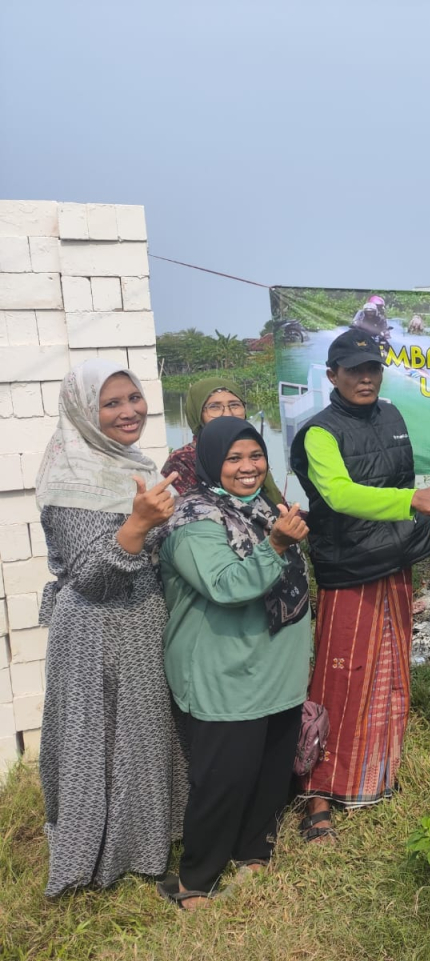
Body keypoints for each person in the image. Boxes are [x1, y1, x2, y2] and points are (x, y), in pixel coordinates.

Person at [289, 328, 430, 838]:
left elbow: (401, 482)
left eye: (373, 369)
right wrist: (412, 504)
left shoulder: (393, 415)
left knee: (389, 672)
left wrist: (424, 512)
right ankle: (317, 794)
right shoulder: (319, 432)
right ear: (333, 375)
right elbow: (338, 495)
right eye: (354, 370)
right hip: (349, 570)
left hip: (395, 560)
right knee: (340, 677)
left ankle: (375, 776)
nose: (365, 377)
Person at [34, 360, 186, 897]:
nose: (129, 412)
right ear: (84, 411)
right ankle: (89, 860)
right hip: (94, 630)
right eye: (112, 403)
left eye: (134, 398)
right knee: (95, 741)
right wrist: (141, 522)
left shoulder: (133, 464)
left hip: (142, 619)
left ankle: (146, 846)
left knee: (143, 736)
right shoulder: (68, 475)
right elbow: (92, 576)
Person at [157, 418, 312, 908]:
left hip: (277, 669)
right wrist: (278, 544)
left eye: (255, 456)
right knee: (224, 779)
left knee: (269, 771)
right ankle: (193, 881)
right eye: (234, 459)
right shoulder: (193, 521)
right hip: (225, 673)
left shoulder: (265, 508)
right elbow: (226, 586)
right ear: (209, 462)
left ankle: (254, 855)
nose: (248, 468)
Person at [163, 377, 284, 505]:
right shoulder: (182, 461)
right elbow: (190, 510)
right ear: (197, 414)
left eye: (235, 405)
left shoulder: (249, 447)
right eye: (214, 407)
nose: (227, 414)